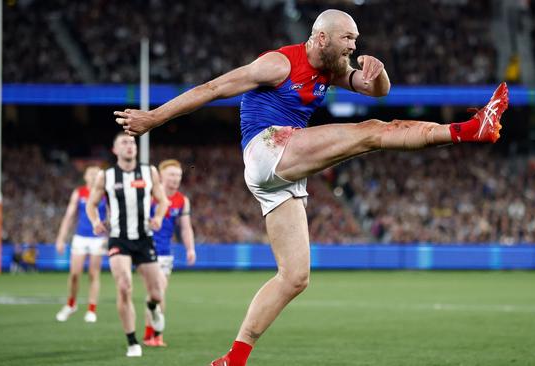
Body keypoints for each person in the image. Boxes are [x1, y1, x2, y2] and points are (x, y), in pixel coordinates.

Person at [114, 9, 508, 365]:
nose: (354, 45)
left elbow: (378, 91)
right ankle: (469, 129)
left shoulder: (332, 71)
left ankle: (233, 358)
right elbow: (214, 88)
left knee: (295, 277)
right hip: (267, 147)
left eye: (356, 39)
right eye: (348, 39)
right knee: (371, 133)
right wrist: (154, 118)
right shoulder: (278, 63)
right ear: (321, 38)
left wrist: (379, 70)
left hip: (281, 172)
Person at [87, 133, 170, 357]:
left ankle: (152, 308)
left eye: (132, 142)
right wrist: (95, 221)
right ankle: (132, 341)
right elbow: (91, 204)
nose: (129, 145)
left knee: (157, 293)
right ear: (115, 150)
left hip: (144, 239)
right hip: (118, 239)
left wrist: (159, 218)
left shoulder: (149, 172)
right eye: (124, 142)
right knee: (124, 286)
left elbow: (163, 200)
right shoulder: (106, 176)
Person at [143, 159, 197, 347]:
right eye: (171, 175)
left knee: (155, 293)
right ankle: (156, 335)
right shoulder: (149, 196)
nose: (175, 179)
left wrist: (190, 248)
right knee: (158, 291)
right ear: (161, 176)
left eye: (178, 175)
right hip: (145, 250)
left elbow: (185, 228)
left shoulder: (182, 201)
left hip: (165, 254)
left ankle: (150, 333)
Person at [55, 166, 108, 323]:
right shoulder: (79, 193)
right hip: (80, 237)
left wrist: (109, 236)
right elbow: (69, 216)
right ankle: (71, 304)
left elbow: (112, 216)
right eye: (90, 173)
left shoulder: (105, 194)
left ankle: (91, 309)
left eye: (96, 174)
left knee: (94, 274)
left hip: (98, 238)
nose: (93, 176)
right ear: (85, 177)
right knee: (74, 274)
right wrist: (61, 238)